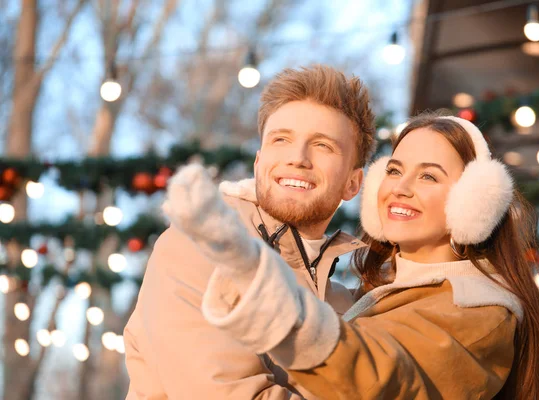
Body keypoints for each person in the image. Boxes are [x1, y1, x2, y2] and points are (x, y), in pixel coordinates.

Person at [163, 112, 539, 400]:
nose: (402, 188)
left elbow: (382, 376)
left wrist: (256, 282)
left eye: (429, 176)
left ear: (475, 203)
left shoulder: (477, 311)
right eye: (395, 170)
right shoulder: (373, 296)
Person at [123, 65, 377, 399]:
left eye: (323, 146)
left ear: (353, 183)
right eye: (281, 139)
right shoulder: (201, 246)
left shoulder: (347, 303)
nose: (297, 158)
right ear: (259, 163)